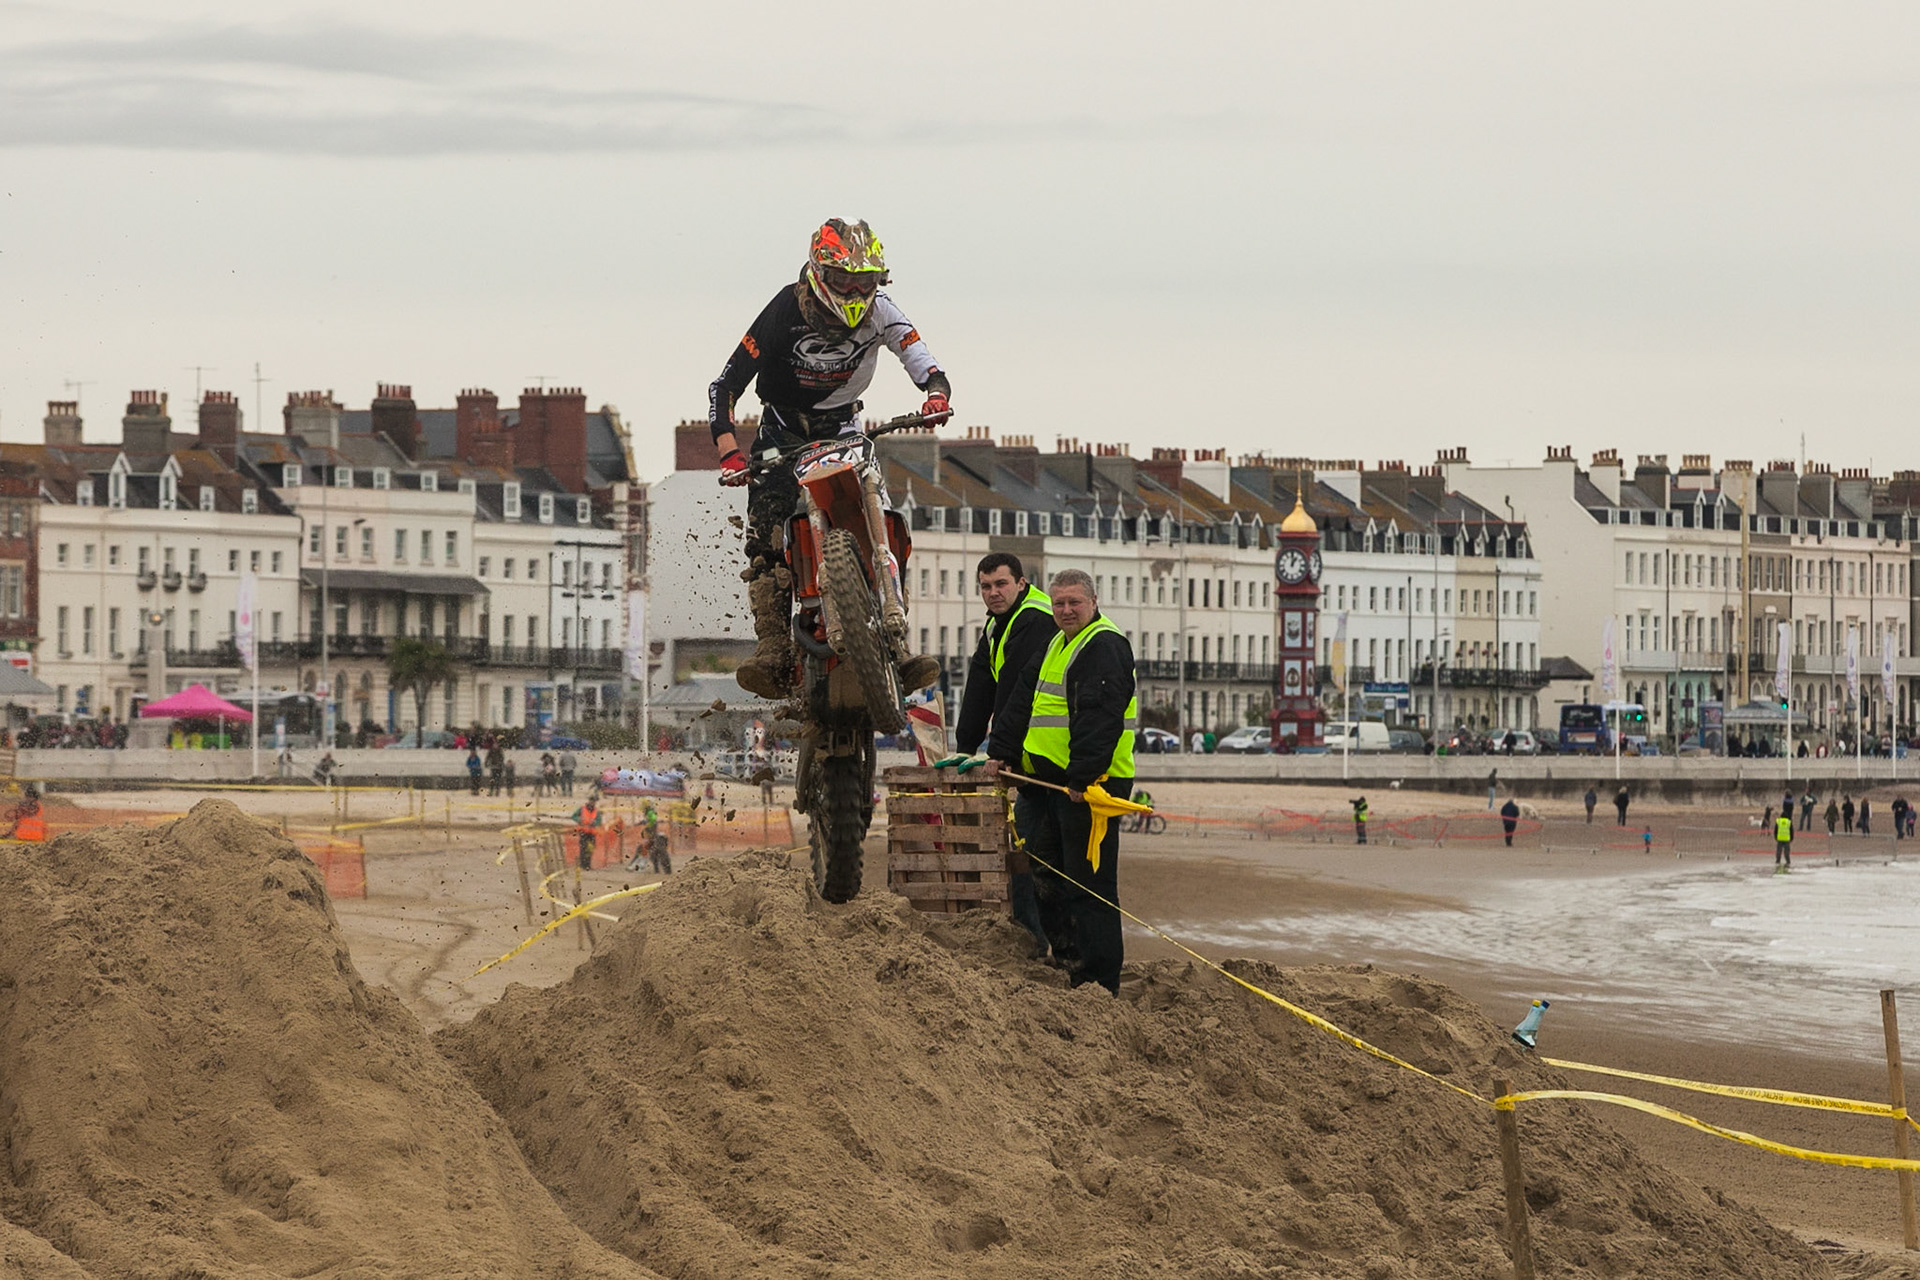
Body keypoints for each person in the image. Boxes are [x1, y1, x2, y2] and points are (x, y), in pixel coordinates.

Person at [711, 217, 950, 700]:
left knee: (880, 515)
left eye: (865, 280)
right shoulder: (785, 308)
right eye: (844, 280)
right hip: (781, 431)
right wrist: (730, 453)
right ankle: (774, 650)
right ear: (821, 273)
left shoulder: (882, 310)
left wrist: (936, 395)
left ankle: (899, 643)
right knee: (764, 538)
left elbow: (920, 355)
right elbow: (725, 386)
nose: (855, 289)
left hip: (844, 427)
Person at [989, 569, 1138, 995]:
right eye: (1059, 603)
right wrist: (1000, 751)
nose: (1066, 610)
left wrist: (1082, 776)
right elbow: (1021, 701)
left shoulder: (1104, 644)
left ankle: (1100, 983)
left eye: (1075, 602)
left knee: (1089, 886)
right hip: (1044, 785)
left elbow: (1101, 717)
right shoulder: (1055, 642)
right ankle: (1072, 965)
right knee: (1044, 878)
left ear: (1094, 601)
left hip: (1091, 788)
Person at [953, 552, 1058, 948]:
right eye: (985, 587)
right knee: (1023, 850)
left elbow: (1015, 691)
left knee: (1031, 854)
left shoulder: (1034, 619)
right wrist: (966, 745)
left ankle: (1037, 939)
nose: (993, 593)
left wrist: (1000, 752)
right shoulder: (1000, 623)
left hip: (1044, 761)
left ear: (1021, 582)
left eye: (1000, 584)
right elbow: (981, 683)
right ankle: (1033, 936)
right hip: (1027, 756)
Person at [573, 795, 603, 870]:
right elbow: (574, 816)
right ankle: (582, 864)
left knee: (590, 849)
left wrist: (595, 823)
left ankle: (587, 865)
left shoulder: (597, 811)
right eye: (591, 801)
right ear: (589, 801)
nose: (592, 803)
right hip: (583, 832)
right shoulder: (582, 809)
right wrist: (580, 820)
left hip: (592, 833)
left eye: (594, 801)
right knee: (583, 849)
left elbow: (599, 821)